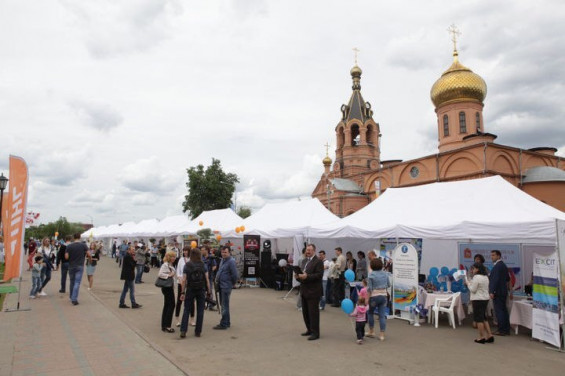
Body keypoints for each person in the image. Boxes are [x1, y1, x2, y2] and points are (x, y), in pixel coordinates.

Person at [180, 249, 211, 338]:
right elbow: (207, 279)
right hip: (201, 289)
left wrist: (182, 292)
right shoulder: (203, 265)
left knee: (186, 309)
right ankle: (198, 331)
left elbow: (184, 280)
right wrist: (209, 291)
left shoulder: (187, 265)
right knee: (200, 310)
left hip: (190, 289)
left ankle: (183, 330)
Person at [296, 244, 323, 341]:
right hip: (304, 290)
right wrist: (298, 277)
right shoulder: (304, 261)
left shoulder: (318, 261)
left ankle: (315, 333)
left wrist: (307, 276)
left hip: (313, 291)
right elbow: (303, 275)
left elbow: (319, 275)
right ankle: (309, 329)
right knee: (305, 312)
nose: (308, 252)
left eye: (310, 250)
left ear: (314, 251)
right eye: (307, 250)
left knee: (313, 313)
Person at [465, 263, 494, 344]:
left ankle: (481, 337)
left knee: (479, 319)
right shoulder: (485, 277)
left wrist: (468, 284)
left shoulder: (476, 277)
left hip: (478, 299)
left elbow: (473, 289)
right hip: (485, 299)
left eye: (473, 269)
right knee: (484, 317)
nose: (472, 270)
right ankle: (490, 335)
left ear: (477, 269)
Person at [213, 246, 238, 330]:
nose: (223, 254)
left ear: (229, 252)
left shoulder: (231, 261)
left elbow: (235, 275)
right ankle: (227, 322)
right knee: (224, 305)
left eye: (225, 252)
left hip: (226, 287)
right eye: (222, 252)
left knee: (224, 306)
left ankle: (224, 324)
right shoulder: (222, 260)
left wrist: (232, 284)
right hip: (221, 286)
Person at [367, 258, 390, 340]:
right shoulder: (385, 274)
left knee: (370, 313)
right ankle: (382, 335)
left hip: (374, 296)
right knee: (382, 316)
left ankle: (371, 331)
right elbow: (388, 285)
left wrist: (366, 299)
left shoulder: (371, 275)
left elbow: (369, 289)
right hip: (384, 296)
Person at [489, 250, 511, 335]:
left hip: (498, 292)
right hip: (502, 291)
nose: (492, 257)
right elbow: (507, 279)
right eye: (491, 255)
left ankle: (502, 330)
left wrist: (492, 291)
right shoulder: (503, 265)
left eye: (493, 255)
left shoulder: (498, 266)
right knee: (504, 310)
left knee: (500, 311)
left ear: (498, 256)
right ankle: (506, 329)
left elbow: (495, 280)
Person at [65, 233, 88, 305]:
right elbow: (89, 254)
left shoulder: (69, 246)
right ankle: (74, 299)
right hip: (80, 265)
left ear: (73, 238)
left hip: (71, 265)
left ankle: (71, 296)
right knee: (77, 282)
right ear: (80, 237)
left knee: (72, 281)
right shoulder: (83, 245)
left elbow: (66, 257)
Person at [159, 251, 177, 333]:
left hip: (169, 287)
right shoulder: (165, 265)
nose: (174, 258)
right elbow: (160, 274)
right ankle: (167, 325)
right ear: (169, 257)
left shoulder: (169, 265)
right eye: (172, 256)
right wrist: (169, 275)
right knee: (171, 304)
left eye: (174, 256)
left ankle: (164, 325)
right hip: (167, 287)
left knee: (167, 305)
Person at [175, 246, 192, 327]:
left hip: (190, 283)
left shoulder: (192, 259)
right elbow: (178, 270)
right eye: (184, 251)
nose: (185, 252)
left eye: (186, 251)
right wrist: (179, 277)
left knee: (191, 301)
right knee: (179, 300)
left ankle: (192, 319)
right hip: (181, 282)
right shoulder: (181, 260)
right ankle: (177, 319)